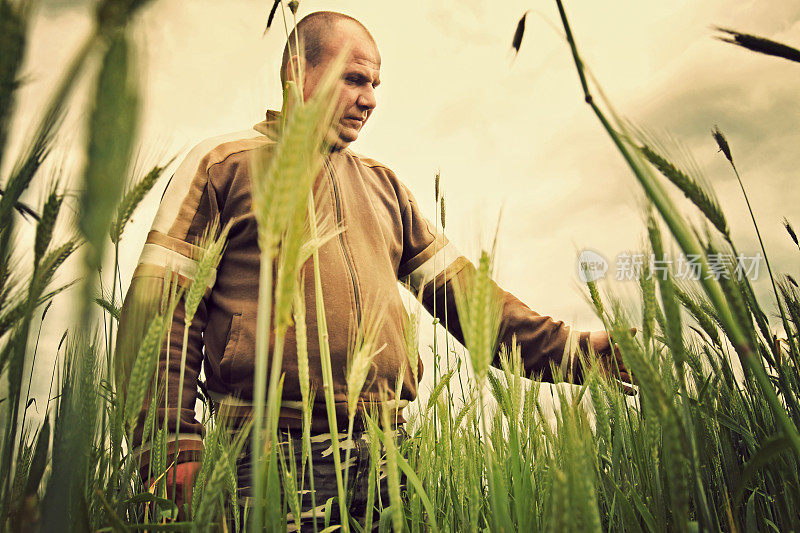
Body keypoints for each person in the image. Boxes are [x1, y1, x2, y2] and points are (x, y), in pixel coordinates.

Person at [116, 10, 634, 529]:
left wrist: (576, 353)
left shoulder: (385, 188)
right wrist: (167, 443)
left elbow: (471, 302)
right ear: (298, 72)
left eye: (375, 84)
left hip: (392, 455)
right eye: (355, 78)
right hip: (271, 458)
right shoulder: (224, 165)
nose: (370, 99)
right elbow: (162, 308)